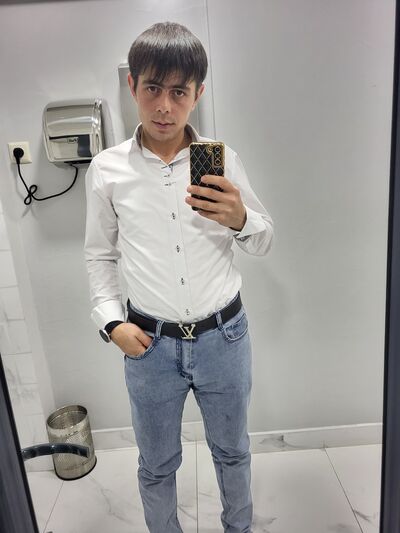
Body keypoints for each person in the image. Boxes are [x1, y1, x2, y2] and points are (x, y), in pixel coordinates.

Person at [84, 21, 274, 533]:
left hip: (224, 338)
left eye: (179, 92)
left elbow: (264, 241)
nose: (164, 106)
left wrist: (241, 218)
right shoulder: (107, 170)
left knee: (233, 452)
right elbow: (99, 256)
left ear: (198, 94)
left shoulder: (220, 159)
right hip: (149, 345)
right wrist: (111, 323)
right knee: (156, 464)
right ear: (132, 86)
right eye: (152, 88)